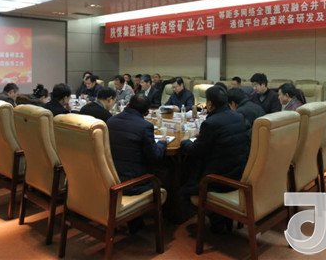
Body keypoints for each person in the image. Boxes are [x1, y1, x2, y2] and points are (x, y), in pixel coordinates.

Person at [179, 86, 250, 231]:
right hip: (239, 174)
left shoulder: (211, 123)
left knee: (183, 186)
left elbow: (196, 150)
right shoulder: (239, 116)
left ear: (210, 104)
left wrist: (185, 141)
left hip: (218, 180)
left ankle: (214, 217)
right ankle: (220, 218)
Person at [106, 94, 167, 195]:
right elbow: (155, 156)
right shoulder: (145, 126)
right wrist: (162, 143)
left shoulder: (110, 121)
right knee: (164, 172)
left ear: (128, 105)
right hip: (132, 184)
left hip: (111, 180)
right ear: (146, 112)